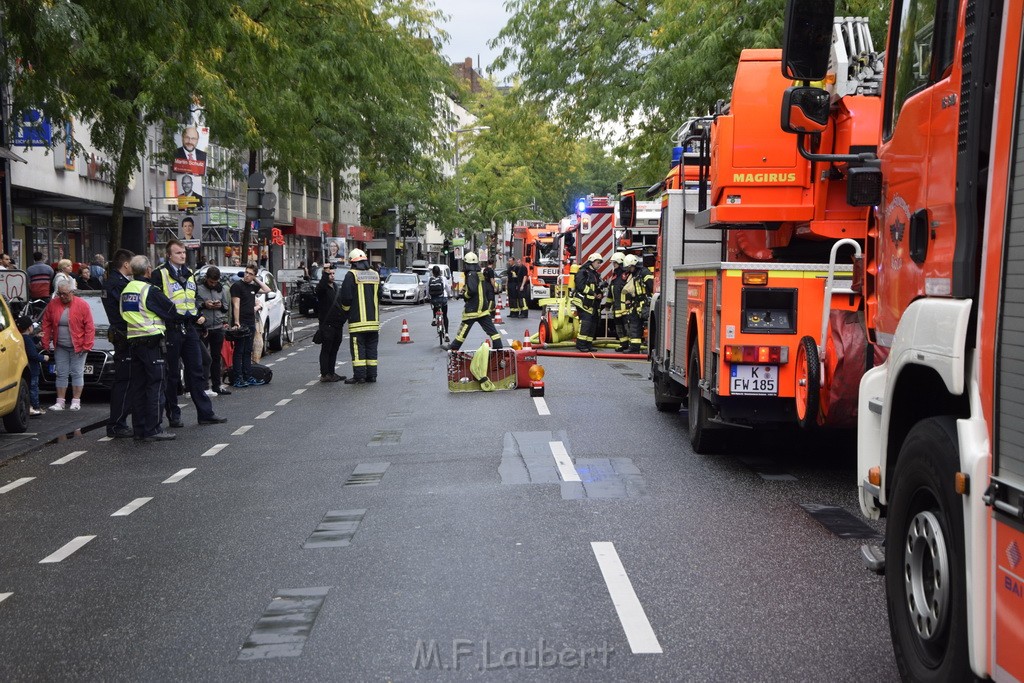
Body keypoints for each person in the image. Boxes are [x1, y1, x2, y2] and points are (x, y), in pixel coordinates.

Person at [151, 239, 227, 428]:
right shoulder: (159, 274)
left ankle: (205, 413)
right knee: (172, 375)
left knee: (197, 370)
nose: (182, 255)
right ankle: (174, 415)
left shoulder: (190, 274)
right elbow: (156, 303)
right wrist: (172, 318)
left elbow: (191, 300)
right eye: (178, 253)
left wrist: (198, 316)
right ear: (169, 255)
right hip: (171, 329)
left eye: (183, 252)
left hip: (189, 327)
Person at [121, 255, 193, 442]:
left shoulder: (127, 289)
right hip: (152, 342)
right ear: (148, 270)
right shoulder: (150, 290)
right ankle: (153, 429)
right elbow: (170, 311)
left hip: (134, 342)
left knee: (138, 387)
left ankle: (139, 429)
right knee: (156, 386)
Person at [41, 280, 95, 411]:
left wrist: (87, 345)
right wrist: (45, 342)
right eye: (60, 294)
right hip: (60, 345)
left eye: (65, 294)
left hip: (79, 346)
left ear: (72, 292)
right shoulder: (53, 304)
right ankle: (60, 402)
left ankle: (76, 401)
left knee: (77, 373)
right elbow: (46, 324)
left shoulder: (82, 305)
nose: (62, 297)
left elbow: (89, 326)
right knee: (61, 373)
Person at [102, 248, 135, 438]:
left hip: (121, 335)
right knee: (124, 381)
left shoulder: (113, 282)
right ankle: (117, 423)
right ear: (126, 264)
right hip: (124, 335)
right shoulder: (118, 284)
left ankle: (119, 421)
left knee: (125, 381)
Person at [445, 251, 502, 352]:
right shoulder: (479, 273)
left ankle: (454, 347)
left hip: (473, 308)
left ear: (466, 263)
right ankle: (499, 348)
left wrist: (464, 295)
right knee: (492, 331)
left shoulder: (471, 274)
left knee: (463, 330)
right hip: (482, 308)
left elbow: (472, 290)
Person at [339, 248, 380, 384]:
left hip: (357, 322)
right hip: (374, 321)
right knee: (371, 348)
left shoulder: (351, 275)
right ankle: (372, 375)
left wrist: (346, 312)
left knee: (358, 349)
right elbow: (379, 296)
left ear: (352, 262)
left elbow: (345, 298)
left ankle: (359, 376)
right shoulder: (375, 274)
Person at [229, 263, 270, 387]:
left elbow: (267, 289)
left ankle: (247, 376)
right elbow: (236, 305)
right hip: (242, 323)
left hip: (251, 322)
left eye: (250, 274)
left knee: (248, 351)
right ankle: (238, 377)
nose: (247, 275)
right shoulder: (237, 286)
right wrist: (237, 322)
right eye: (246, 272)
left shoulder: (252, 287)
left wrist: (256, 279)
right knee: (239, 351)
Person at [196, 266, 232, 395]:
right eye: (211, 282)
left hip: (217, 326)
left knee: (216, 357)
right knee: (203, 358)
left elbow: (226, 307)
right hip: (203, 327)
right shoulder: (199, 289)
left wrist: (220, 305)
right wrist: (204, 305)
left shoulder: (221, 289)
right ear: (206, 279)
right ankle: (204, 386)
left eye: (215, 282)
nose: (213, 284)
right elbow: (194, 306)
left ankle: (217, 385)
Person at [316, 264, 347, 382]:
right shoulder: (322, 289)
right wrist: (325, 272)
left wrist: (343, 319)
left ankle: (331, 372)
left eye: (333, 273)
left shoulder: (336, 287)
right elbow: (321, 286)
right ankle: (325, 374)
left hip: (337, 324)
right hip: (327, 325)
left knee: (334, 349)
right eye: (330, 274)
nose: (332, 276)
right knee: (326, 349)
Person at [572, 252, 605, 352]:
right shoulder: (583, 272)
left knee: (593, 323)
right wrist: (592, 293)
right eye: (598, 262)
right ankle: (581, 344)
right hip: (582, 301)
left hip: (592, 303)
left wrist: (600, 294)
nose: (599, 265)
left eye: (600, 263)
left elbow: (597, 288)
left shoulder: (596, 275)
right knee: (586, 322)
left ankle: (588, 344)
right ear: (592, 262)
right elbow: (581, 286)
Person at [622, 253, 653, 354]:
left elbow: (651, 286)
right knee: (634, 324)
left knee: (650, 325)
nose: (628, 269)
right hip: (637, 303)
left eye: (629, 267)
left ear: (633, 265)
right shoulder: (634, 274)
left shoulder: (644, 272)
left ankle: (651, 347)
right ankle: (634, 347)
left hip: (645, 302)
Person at [18, 316, 45, 417]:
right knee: (33, 389)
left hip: (27, 369)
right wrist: (43, 357)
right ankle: (35, 407)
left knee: (29, 388)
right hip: (32, 369)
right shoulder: (27, 340)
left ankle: (31, 407)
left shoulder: (22, 338)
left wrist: (37, 337)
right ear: (29, 328)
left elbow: (29, 341)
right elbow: (33, 354)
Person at [606, 252, 631, 351]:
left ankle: (631, 346)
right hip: (617, 309)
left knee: (627, 328)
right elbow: (611, 292)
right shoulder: (615, 276)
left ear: (620, 262)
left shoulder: (627, 276)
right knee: (619, 328)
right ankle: (623, 344)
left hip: (626, 308)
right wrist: (607, 304)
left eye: (615, 263)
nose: (613, 265)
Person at [427, 265, 451, 336]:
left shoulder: (429, 279)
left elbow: (427, 289)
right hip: (443, 298)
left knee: (435, 305)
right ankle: (446, 334)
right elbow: (448, 288)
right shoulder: (443, 278)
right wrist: (450, 295)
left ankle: (434, 318)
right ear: (439, 272)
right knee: (445, 315)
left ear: (432, 272)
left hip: (434, 299)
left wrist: (428, 297)